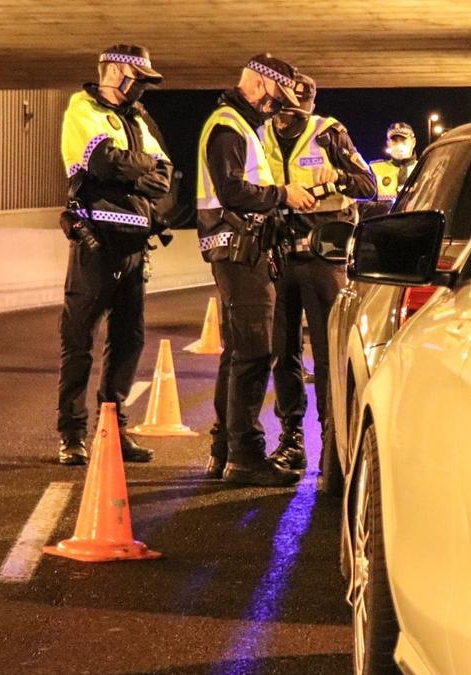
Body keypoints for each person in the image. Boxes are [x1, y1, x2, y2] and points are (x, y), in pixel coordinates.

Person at [197, 55, 317, 487]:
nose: (276, 107)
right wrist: (283, 194)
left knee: (236, 355)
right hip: (240, 250)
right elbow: (230, 189)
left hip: (236, 248)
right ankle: (246, 457)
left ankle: (224, 450)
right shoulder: (229, 125)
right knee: (252, 354)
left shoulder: (241, 126)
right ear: (263, 84)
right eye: (277, 97)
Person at [56, 44, 173, 466]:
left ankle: (113, 430)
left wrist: (136, 169)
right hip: (95, 244)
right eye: (140, 78)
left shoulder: (139, 120)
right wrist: (141, 170)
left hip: (134, 245)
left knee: (128, 341)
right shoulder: (82, 109)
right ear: (119, 72)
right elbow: (103, 162)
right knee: (80, 340)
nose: (143, 87)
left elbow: (164, 176)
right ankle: (72, 434)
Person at [264, 73, 376, 476]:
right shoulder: (261, 135)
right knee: (283, 351)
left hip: (323, 256)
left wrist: (338, 179)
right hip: (281, 253)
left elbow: (368, 184)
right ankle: (291, 439)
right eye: (279, 110)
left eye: (291, 112)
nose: (282, 119)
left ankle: (332, 440)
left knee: (329, 353)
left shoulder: (329, 133)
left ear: (306, 108)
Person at [361, 122, 418, 219]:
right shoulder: (375, 169)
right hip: (383, 226)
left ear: (413, 142)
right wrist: (390, 207)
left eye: (403, 140)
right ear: (388, 144)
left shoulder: (423, 168)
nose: (399, 144)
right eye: (394, 141)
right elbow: (362, 205)